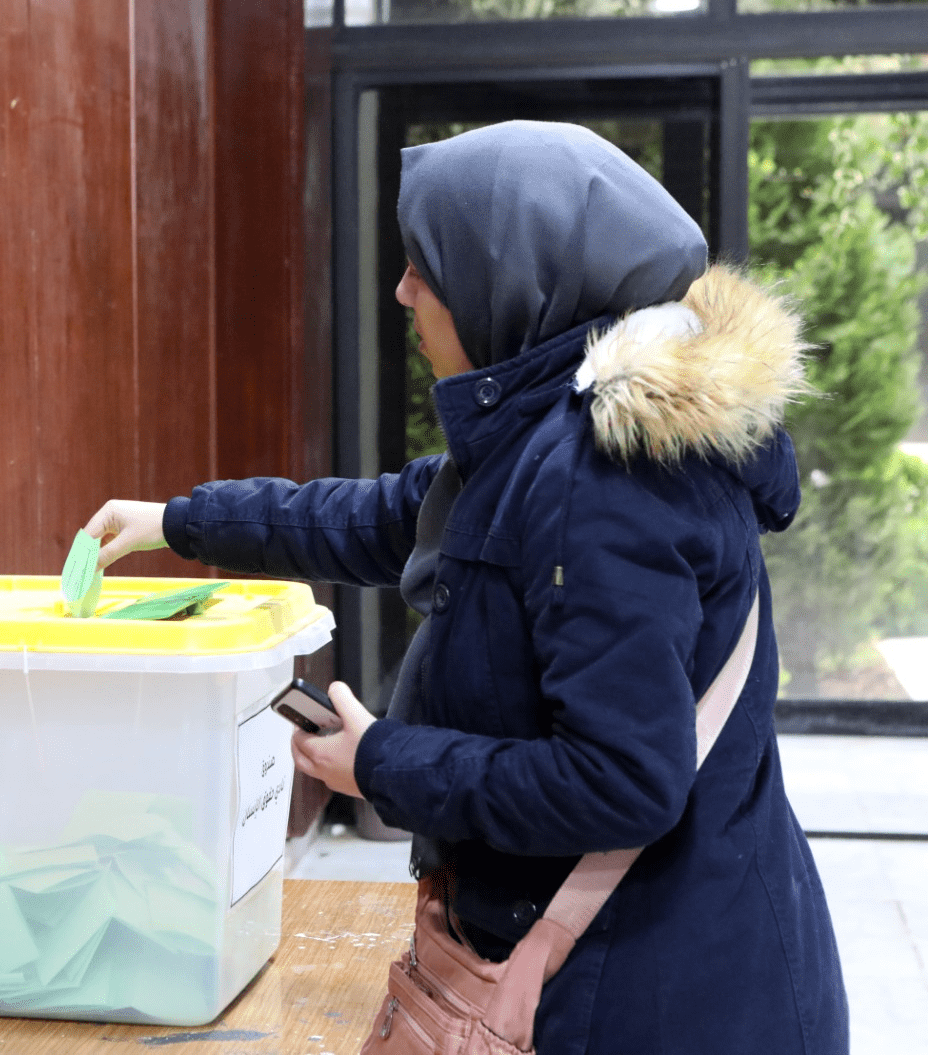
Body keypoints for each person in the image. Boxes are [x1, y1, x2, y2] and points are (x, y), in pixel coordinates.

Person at [85, 121, 847, 1054]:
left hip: (656, 999)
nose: (403, 291)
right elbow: (381, 516)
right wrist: (178, 522)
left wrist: (381, 763)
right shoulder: (546, 435)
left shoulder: (605, 482)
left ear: (511, 281)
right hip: (640, 964)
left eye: (426, 267)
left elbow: (620, 783)